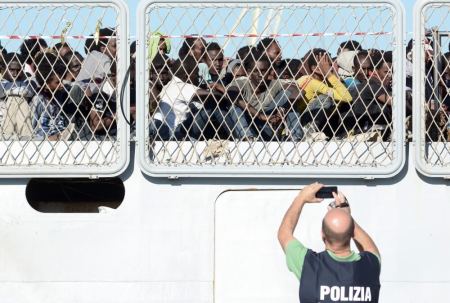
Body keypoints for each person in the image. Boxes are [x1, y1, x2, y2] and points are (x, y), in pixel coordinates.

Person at [278, 182, 381, 303]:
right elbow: (370, 248)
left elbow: (284, 234)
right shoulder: (370, 265)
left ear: (322, 234)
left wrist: (301, 198)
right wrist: (346, 215)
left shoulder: (308, 265)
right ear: (351, 232)